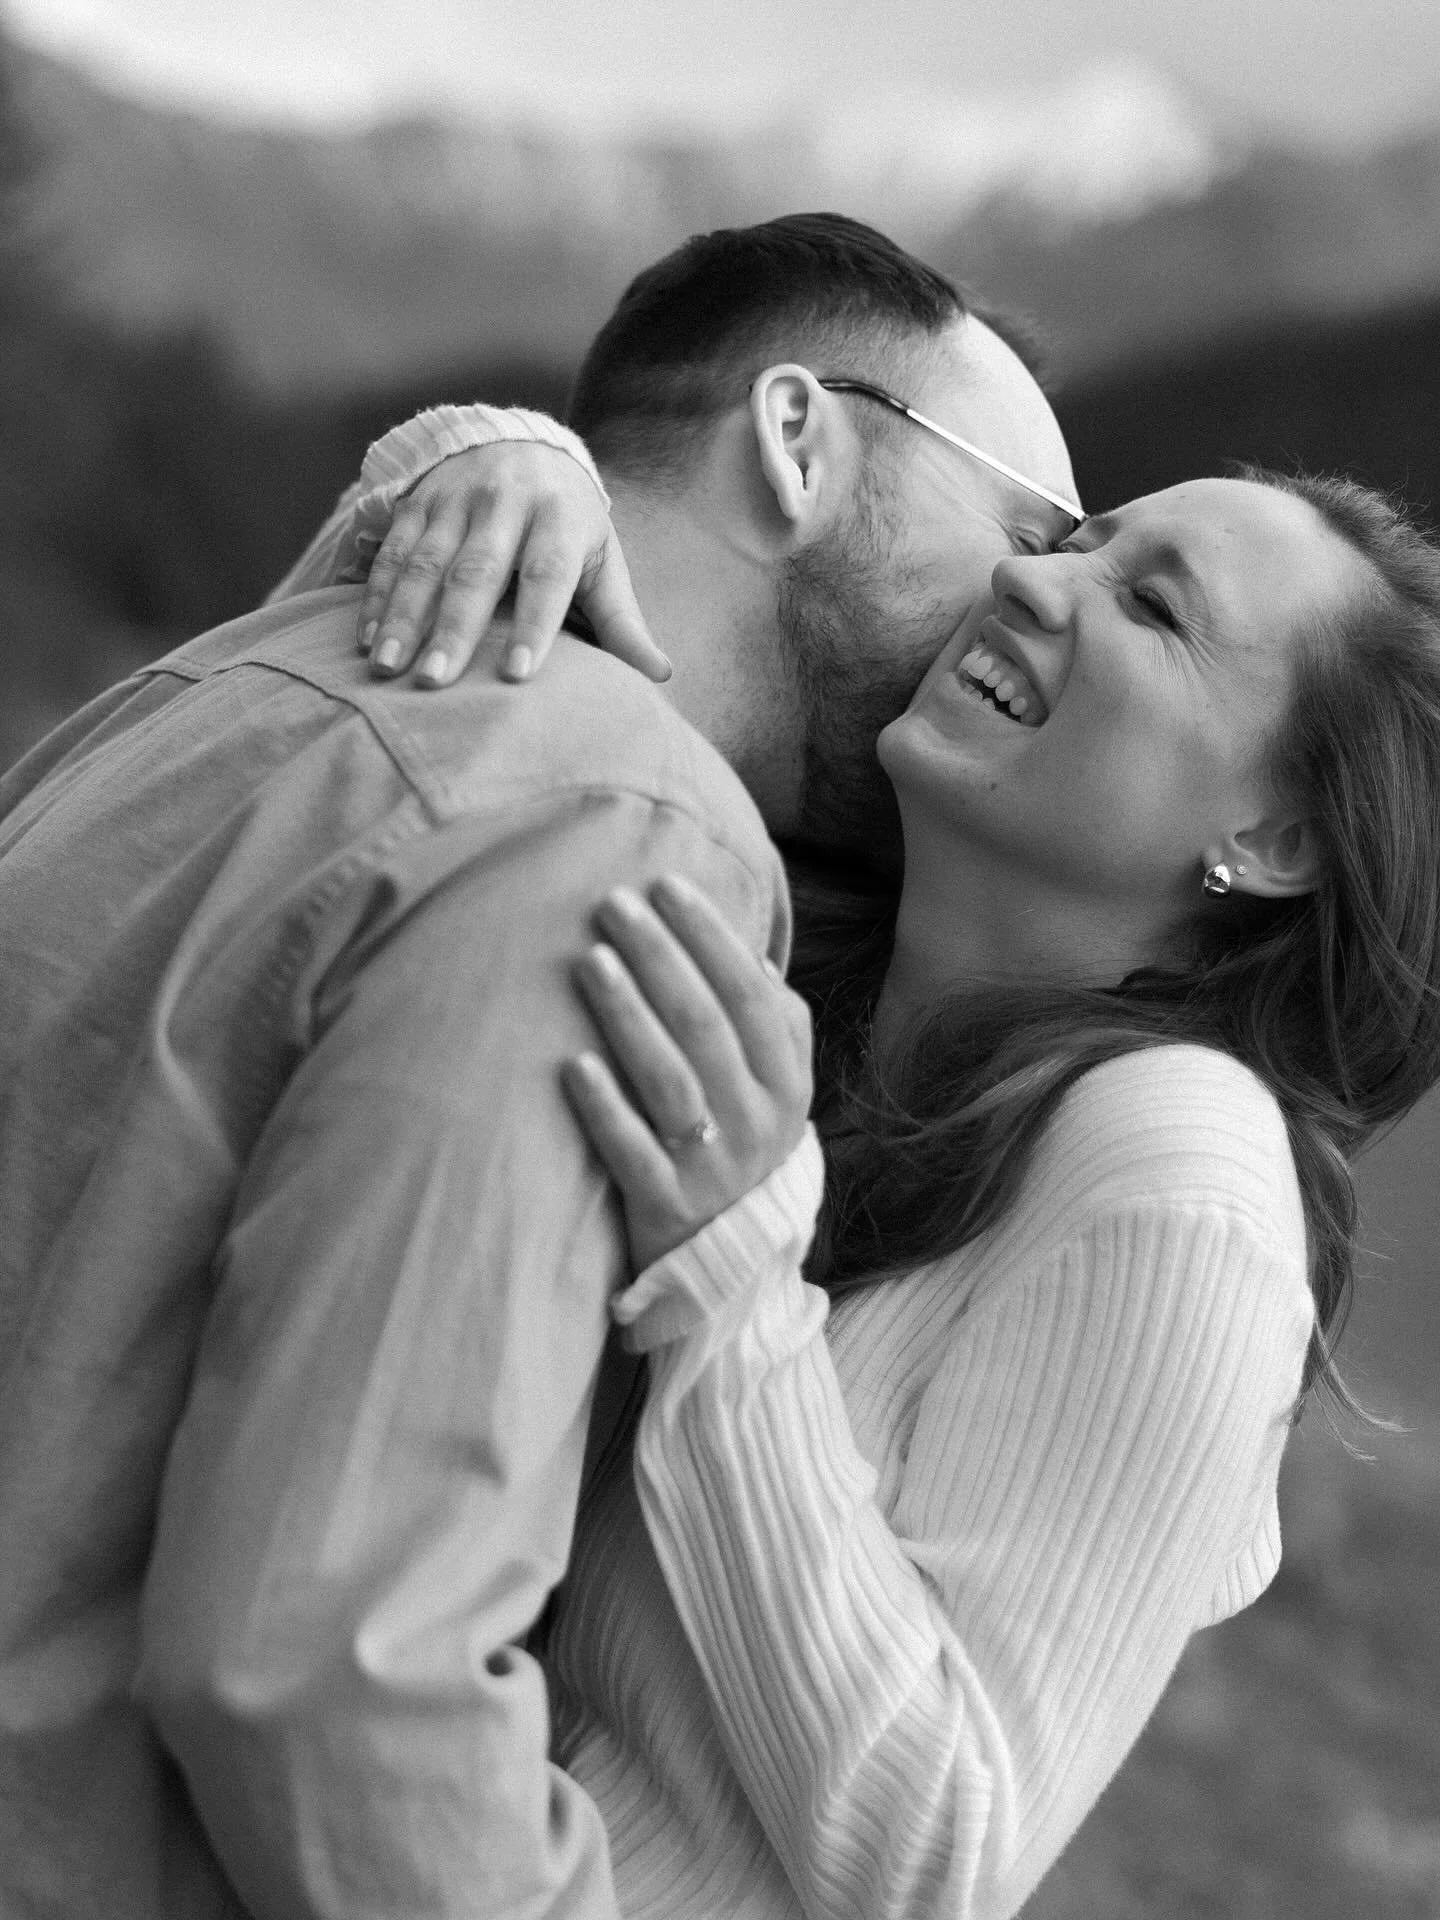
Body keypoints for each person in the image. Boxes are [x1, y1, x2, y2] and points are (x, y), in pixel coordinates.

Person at [0, 215, 1076, 1920]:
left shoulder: (251, 665)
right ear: (798, 442)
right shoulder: (627, 832)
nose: (1039, 602)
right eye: (1029, 533)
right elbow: (340, 1672)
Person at [310, 457, 1440, 1919]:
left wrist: (730, 1268)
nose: (1032, 582)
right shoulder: (792, 967)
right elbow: (348, 798)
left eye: (1149, 606)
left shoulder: (1184, 1164)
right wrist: (512, 470)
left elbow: (937, 1853)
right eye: (1071, 540)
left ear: (1273, 841)